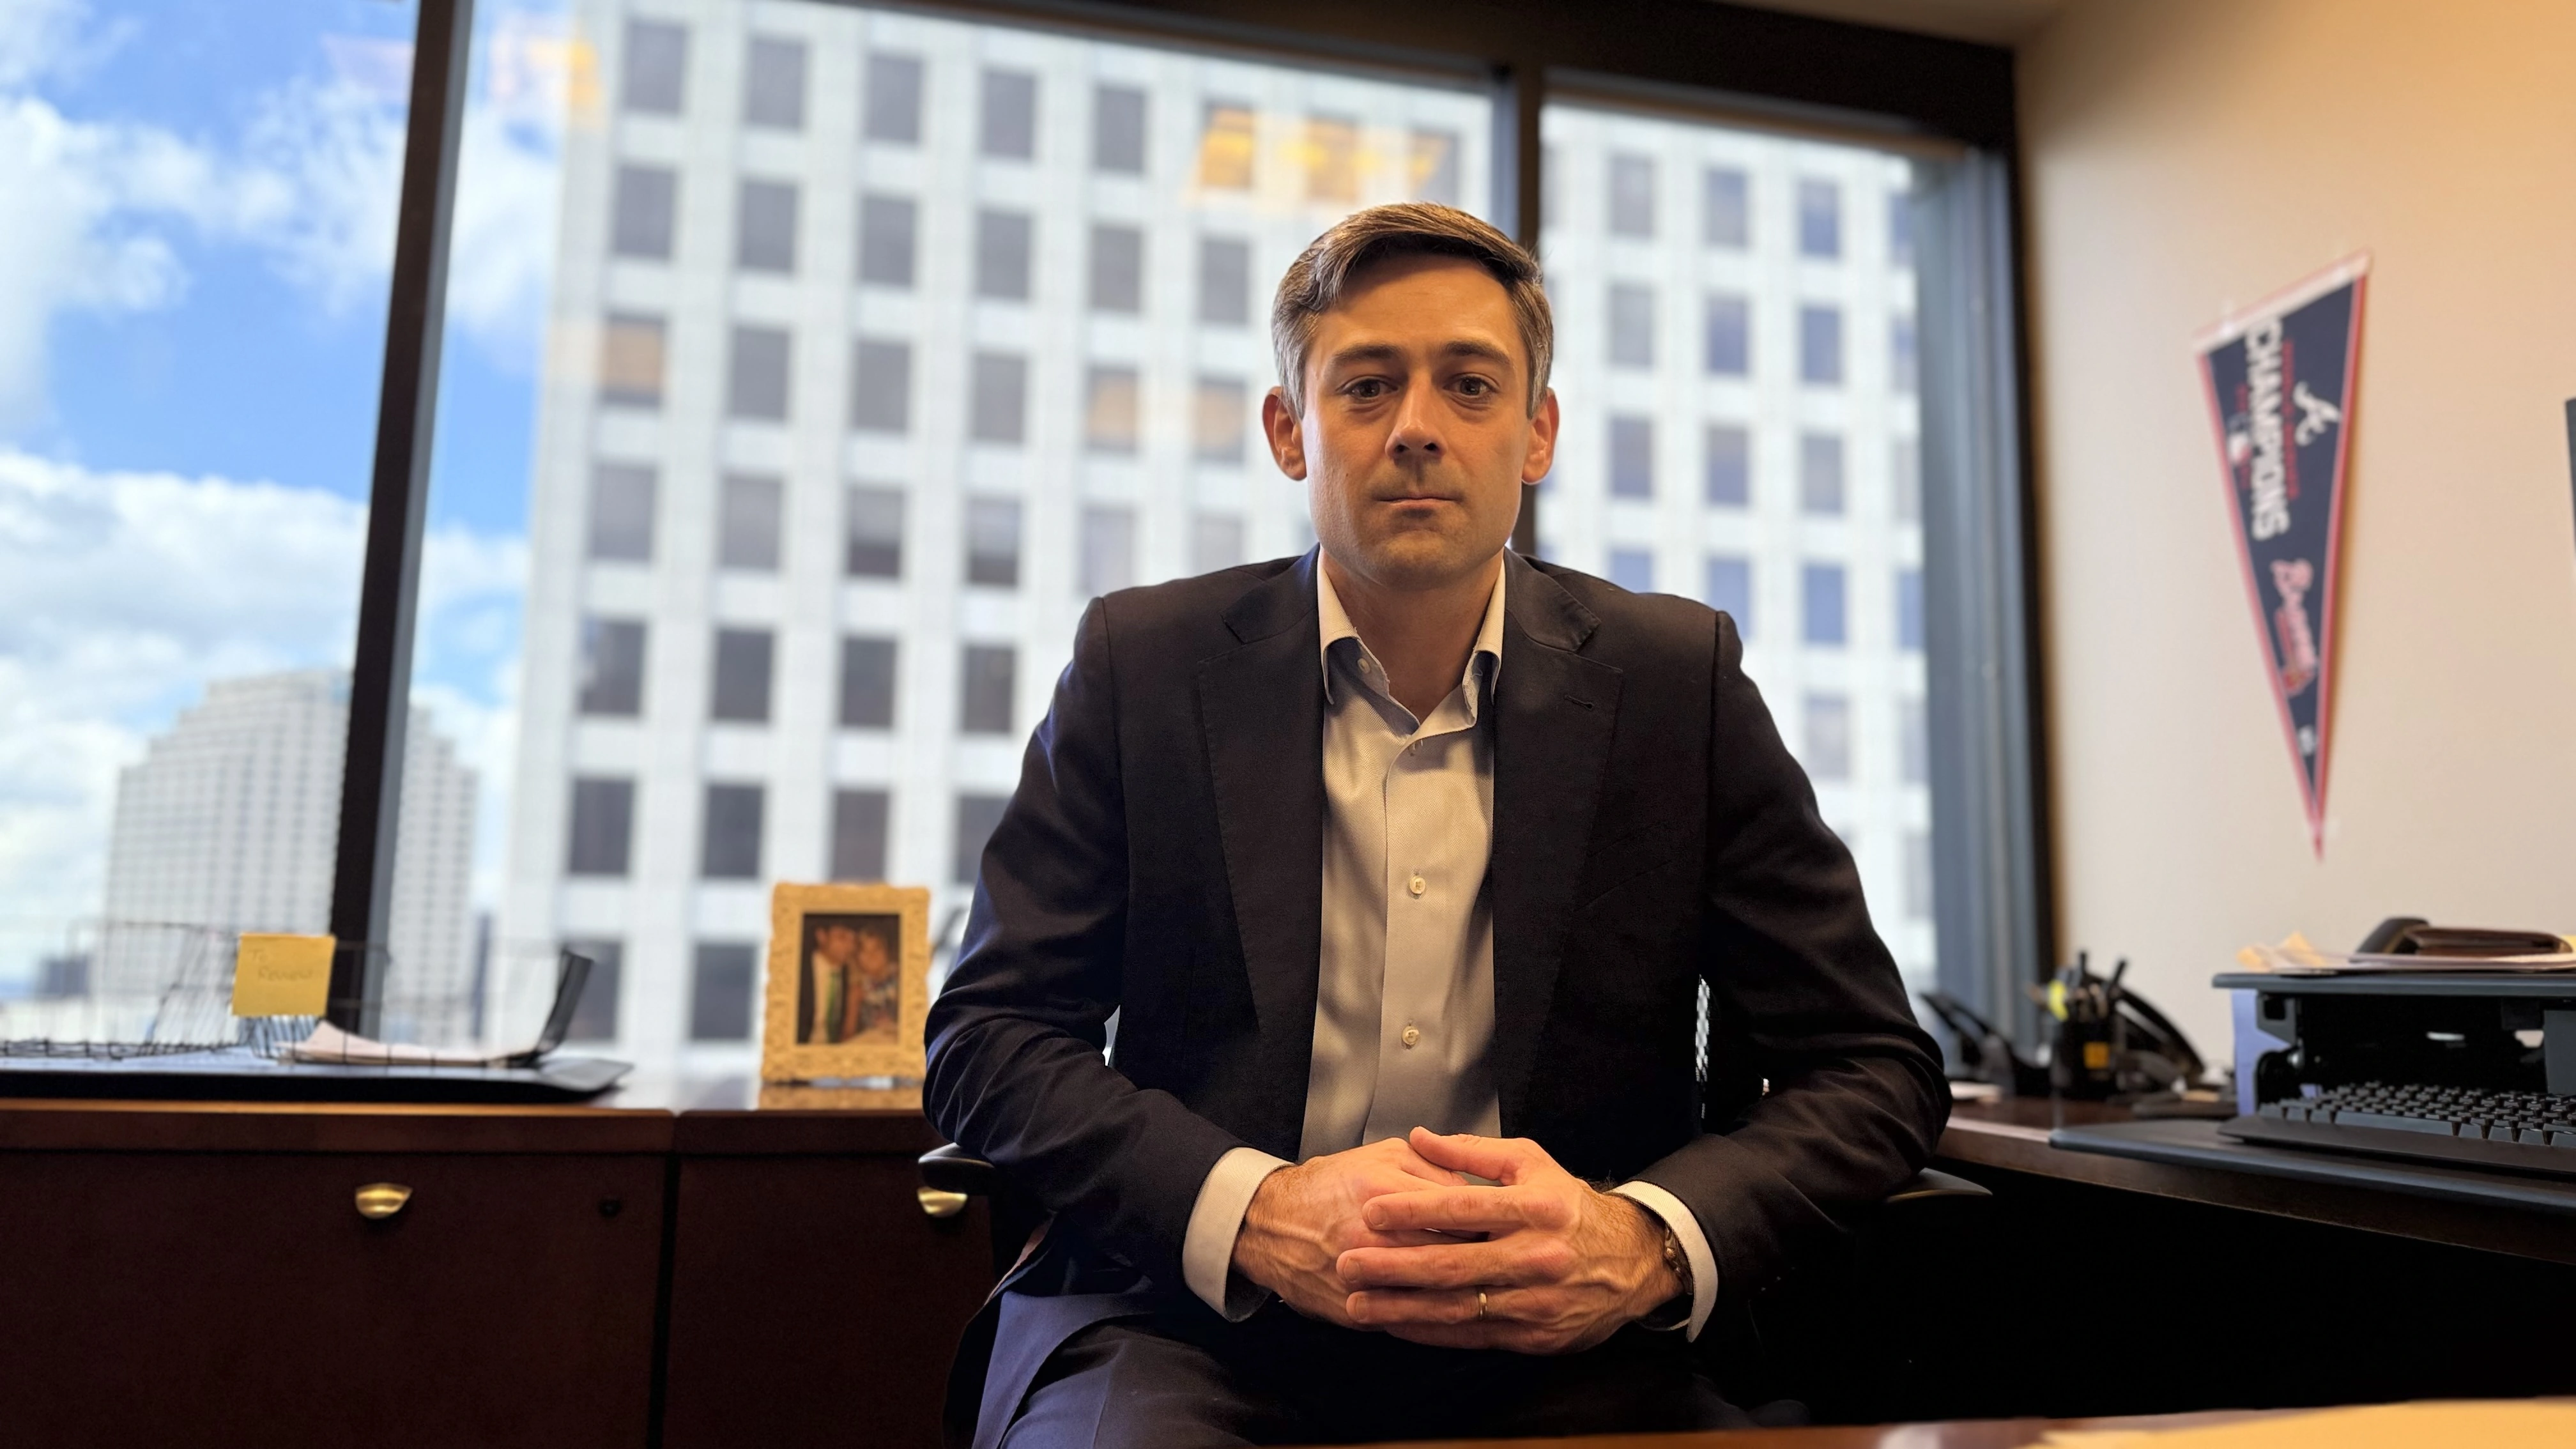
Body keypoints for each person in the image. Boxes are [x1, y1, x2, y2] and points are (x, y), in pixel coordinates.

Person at [924, 202, 1946, 1448]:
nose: (1417, 428)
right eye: (1366, 387)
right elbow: (989, 1038)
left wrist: (1642, 1240)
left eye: (1470, 384)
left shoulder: (1678, 684)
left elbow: (1874, 1070)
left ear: (1538, 432)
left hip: (1568, 1340)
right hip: (1185, 1321)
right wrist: (1254, 1213)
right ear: (1289, 433)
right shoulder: (1143, 667)